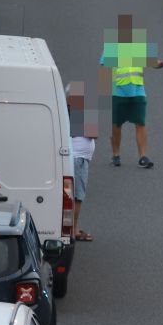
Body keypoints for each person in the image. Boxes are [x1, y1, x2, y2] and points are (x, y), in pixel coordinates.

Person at [102, 14, 163, 168]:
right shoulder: (113, 48)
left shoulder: (140, 48)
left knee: (140, 123)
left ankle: (143, 156)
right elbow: (104, 66)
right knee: (117, 125)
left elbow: (155, 63)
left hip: (138, 91)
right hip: (119, 92)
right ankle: (116, 155)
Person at [67, 84, 95, 240]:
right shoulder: (82, 113)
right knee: (77, 196)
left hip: (74, 157)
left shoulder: (64, 112)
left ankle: (71, 227)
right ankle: (73, 229)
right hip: (79, 159)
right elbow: (93, 134)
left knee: (71, 195)